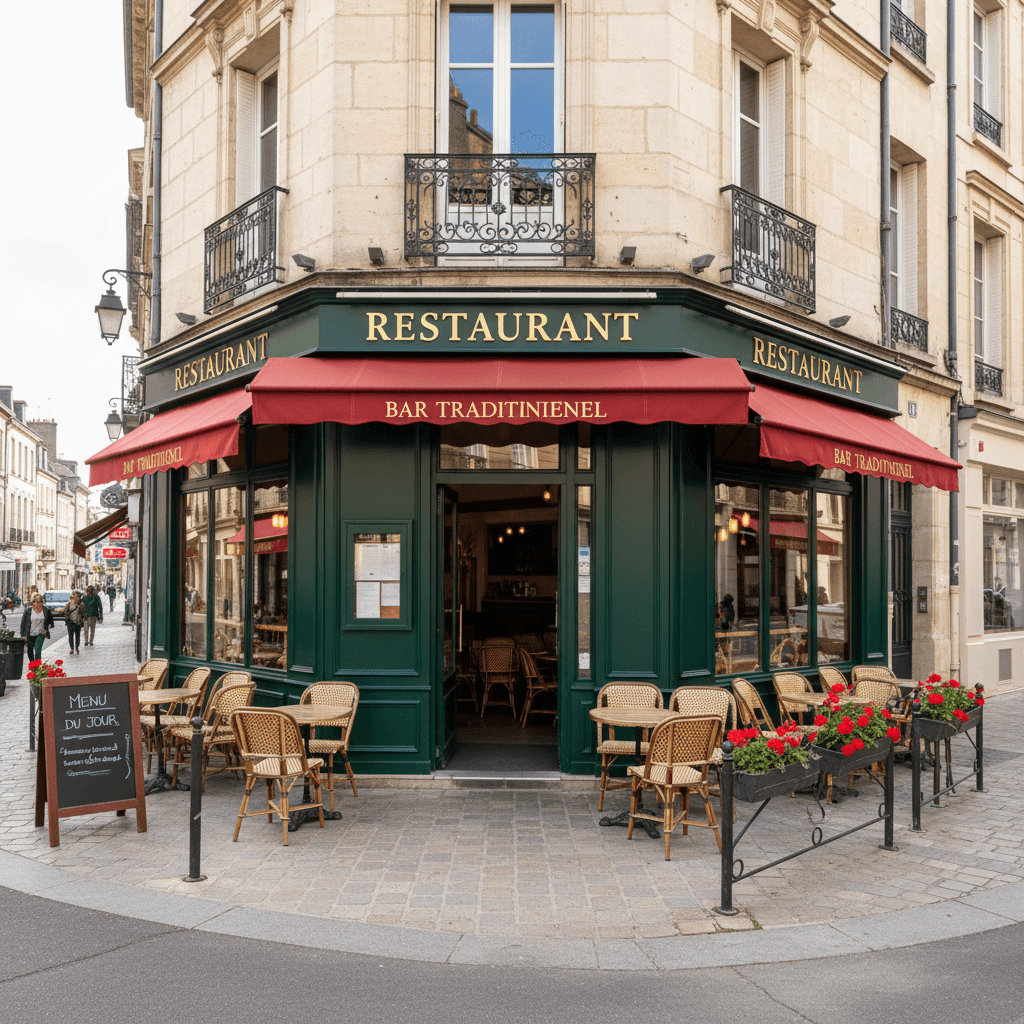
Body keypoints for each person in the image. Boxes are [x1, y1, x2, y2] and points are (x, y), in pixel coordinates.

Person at [20, 594, 53, 662]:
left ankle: (38, 666)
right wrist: (23, 635)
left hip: (41, 633)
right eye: (34, 602)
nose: (36, 604)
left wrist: (46, 628)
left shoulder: (46, 610)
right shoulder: (28, 610)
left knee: (38, 649)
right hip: (30, 633)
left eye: (38, 602)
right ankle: (32, 663)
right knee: (30, 650)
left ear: (41, 603)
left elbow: (51, 622)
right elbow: (23, 623)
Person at [62, 591, 86, 655]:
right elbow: (65, 612)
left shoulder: (81, 604)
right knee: (70, 636)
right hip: (70, 622)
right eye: (74, 597)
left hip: (78, 622)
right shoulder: (69, 604)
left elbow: (83, 612)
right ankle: (72, 648)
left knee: (77, 636)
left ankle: (77, 647)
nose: (76, 598)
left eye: (77, 597)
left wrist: (83, 620)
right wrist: (67, 618)